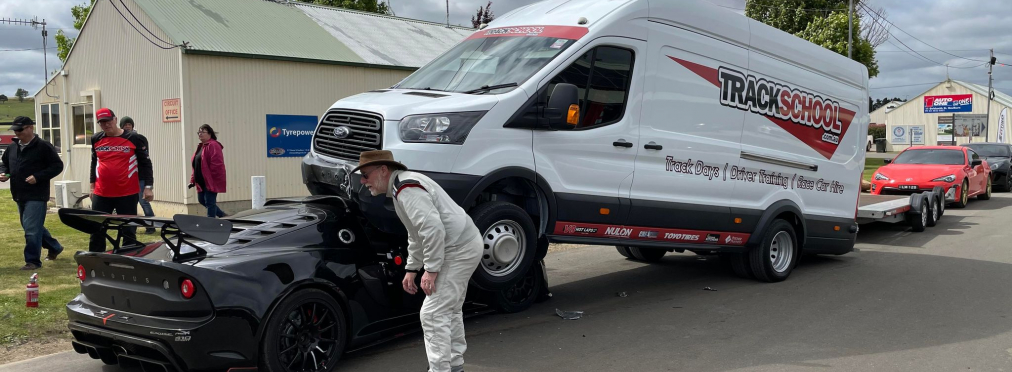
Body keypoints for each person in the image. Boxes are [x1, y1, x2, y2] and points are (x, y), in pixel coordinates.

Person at [354, 150, 482, 372]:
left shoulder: (406, 189)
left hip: (457, 248)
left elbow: (432, 230)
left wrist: (431, 270)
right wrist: (412, 268)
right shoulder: (402, 187)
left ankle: (441, 369)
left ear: (383, 170)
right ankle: (454, 366)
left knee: (433, 313)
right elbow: (416, 233)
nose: (363, 181)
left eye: (365, 174)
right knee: (448, 309)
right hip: (462, 244)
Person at [0, 116, 65, 270]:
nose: (17, 133)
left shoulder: (43, 146)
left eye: (20, 130)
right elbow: (5, 164)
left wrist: (38, 177)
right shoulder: (12, 147)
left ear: (30, 128)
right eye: (15, 130)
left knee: (31, 228)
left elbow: (57, 166)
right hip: (18, 193)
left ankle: (33, 261)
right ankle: (55, 247)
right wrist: (4, 173)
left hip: (37, 194)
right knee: (32, 226)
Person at [89, 108, 154, 252]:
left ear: (115, 119)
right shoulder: (96, 139)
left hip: (127, 193)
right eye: (102, 122)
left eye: (108, 121)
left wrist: (148, 186)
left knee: (128, 230)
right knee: (96, 229)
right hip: (102, 193)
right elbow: (94, 163)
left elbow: (146, 163)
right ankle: (95, 260)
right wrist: (92, 186)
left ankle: (128, 258)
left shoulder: (134, 138)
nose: (106, 125)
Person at [120, 116, 156, 233]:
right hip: (127, 177)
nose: (127, 126)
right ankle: (132, 227)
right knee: (131, 203)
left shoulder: (139, 138)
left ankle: (151, 225)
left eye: (129, 124)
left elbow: (145, 160)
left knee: (143, 201)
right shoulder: (120, 140)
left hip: (140, 176)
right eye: (125, 125)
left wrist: (148, 183)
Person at [188, 124, 226, 218]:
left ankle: (211, 224)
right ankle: (223, 215)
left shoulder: (213, 145)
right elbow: (196, 165)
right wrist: (192, 180)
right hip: (200, 181)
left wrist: (212, 180)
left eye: (202, 132)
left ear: (209, 133)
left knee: (210, 202)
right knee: (202, 200)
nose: (200, 134)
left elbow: (217, 164)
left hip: (210, 181)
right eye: (199, 132)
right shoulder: (201, 146)